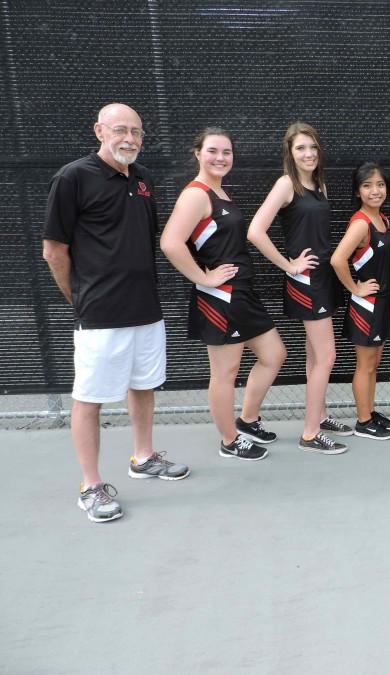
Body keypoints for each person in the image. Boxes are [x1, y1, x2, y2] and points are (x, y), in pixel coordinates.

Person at [42, 103, 189, 524]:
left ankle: (143, 457)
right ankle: (91, 486)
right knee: (89, 398)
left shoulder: (144, 180)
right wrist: (79, 298)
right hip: (100, 314)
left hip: (146, 309)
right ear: (99, 131)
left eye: (137, 132)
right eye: (121, 130)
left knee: (142, 386)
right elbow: (54, 250)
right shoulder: (73, 177)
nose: (129, 139)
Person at [160, 128, 286, 462]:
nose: (220, 158)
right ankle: (229, 439)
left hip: (242, 293)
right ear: (197, 153)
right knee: (225, 374)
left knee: (274, 354)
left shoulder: (220, 192)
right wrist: (203, 278)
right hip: (220, 298)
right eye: (213, 151)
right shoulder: (196, 194)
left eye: (226, 152)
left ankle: (246, 421)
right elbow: (170, 242)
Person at [248, 122, 349, 455]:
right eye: (300, 148)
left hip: (323, 279)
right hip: (307, 282)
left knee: (314, 355)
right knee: (328, 355)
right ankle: (309, 433)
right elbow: (255, 231)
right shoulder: (286, 184)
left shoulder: (319, 183)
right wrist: (288, 265)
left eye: (313, 147)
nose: (308, 154)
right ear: (290, 153)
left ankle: (319, 415)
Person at [331, 162, 390, 440]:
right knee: (365, 365)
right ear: (358, 191)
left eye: (380, 185)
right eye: (368, 185)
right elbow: (337, 259)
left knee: (375, 363)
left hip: (382, 301)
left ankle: (369, 412)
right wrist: (355, 289)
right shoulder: (361, 223)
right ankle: (362, 421)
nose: (375, 191)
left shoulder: (383, 220)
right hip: (366, 305)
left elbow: (384, 267)